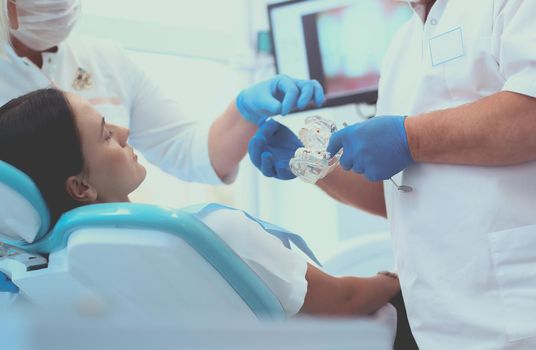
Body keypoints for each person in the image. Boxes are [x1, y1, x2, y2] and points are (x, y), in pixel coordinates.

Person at [0, 88, 418, 350]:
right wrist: (401, 277)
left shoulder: (54, 277)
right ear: (79, 187)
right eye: (107, 134)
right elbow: (344, 302)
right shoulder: (202, 235)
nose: (126, 133)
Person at [248, 0, 536, 349]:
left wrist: (410, 137)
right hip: (441, 325)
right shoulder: (401, 46)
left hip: (522, 310)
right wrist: (310, 164)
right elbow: (400, 195)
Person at [0, 0, 324, 185]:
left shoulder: (106, 60)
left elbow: (184, 149)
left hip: (105, 252)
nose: (122, 133)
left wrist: (246, 111)